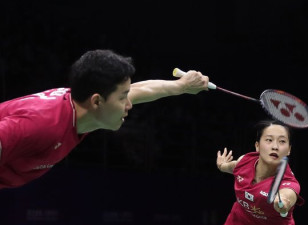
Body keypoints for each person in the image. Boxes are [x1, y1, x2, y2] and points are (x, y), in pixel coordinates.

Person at [0, 49, 209, 189]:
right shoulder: (42, 124)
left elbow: (139, 90)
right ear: (97, 101)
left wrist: (182, 86)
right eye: (122, 97)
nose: (129, 105)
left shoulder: (83, 107)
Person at [216, 120, 304, 225]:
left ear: (289, 150)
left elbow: (287, 196)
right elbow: (231, 167)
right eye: (269, 140)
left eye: (282, 141)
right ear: (257, 146)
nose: (275, 146)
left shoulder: (289, 183)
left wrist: (282, 204)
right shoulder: (244, 161)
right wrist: (221, 165)